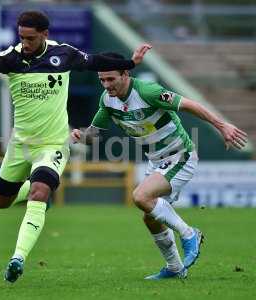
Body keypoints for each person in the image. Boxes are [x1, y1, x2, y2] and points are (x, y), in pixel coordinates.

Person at [0, 10, 151, 282]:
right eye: (21, 37)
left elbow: (96, 61)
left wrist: (130, 62)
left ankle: (18, 259)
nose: (25, 42)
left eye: (30, 38)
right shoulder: (10, 57)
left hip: (53, 143)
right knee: (1, 202)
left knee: (39, 192)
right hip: (20, 144)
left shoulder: (64, 54)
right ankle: (38, 193)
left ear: (45, 35)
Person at [71, 53, 247, 280]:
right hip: (157, 161)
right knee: (150, 216)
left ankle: (189, 234)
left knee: (141, 197)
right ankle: (175, 268)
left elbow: (189, 104)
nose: (106, 85)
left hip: (180, 156)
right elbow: (94, 135)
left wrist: (221, 126)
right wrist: (80, 135)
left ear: (125, 74)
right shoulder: (107, 100)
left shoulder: (147, 91)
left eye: (111, 79)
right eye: (102, 80)